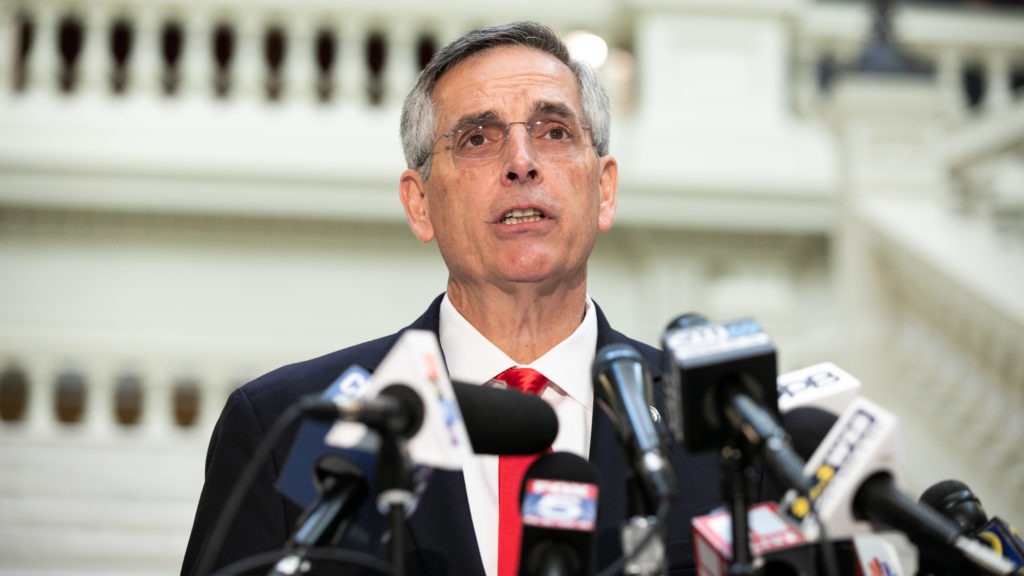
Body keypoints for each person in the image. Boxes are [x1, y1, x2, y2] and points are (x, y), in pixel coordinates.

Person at [181, 21, 768, 576]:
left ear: (604, 190)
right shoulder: (289, 432)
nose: (521, 163)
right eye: (477, 138)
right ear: (420, 204)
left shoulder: (727, 429)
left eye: (555, 132)